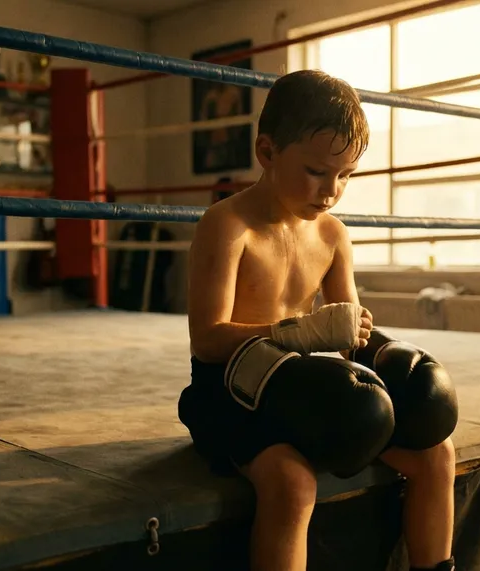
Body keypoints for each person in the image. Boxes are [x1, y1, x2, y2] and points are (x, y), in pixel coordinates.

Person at [180, 69, 459, 571]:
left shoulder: (333, 235)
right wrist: (303, 333)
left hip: (297, 386)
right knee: (293, 482)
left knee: (437, 453)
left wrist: (373, 346)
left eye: (345, 175)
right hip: (230, 390)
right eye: (315, 171)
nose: (331, 190)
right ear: (267, 152)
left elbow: (346, 330)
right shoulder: (227, 225)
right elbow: (207, 339)